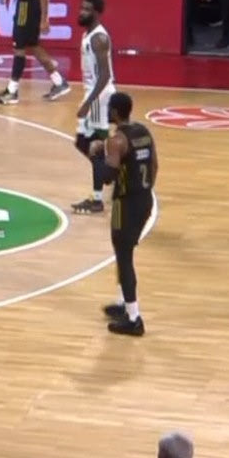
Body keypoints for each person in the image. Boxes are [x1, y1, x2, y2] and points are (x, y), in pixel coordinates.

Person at [89, 92, 157, 336]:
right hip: (145, 200)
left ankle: (134, 318)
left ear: (115, 112)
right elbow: (155, 165)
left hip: (125, 205)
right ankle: (122, 303)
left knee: (124, 258)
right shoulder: (143, 132)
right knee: (124, 254)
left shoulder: (116, 141)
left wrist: (97, 155)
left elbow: (107, 177)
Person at [71, 0, 115, 215]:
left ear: (97, 13)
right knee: (81, 142)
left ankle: (97, 200)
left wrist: (89, 102)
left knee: (96, 149)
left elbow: (105, 75)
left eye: (87, 9)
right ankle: (110, 172)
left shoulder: (99, 39)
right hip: (92, 94)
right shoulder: (88, 34)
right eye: (81, 8)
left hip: (99, 97)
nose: (81, 12)